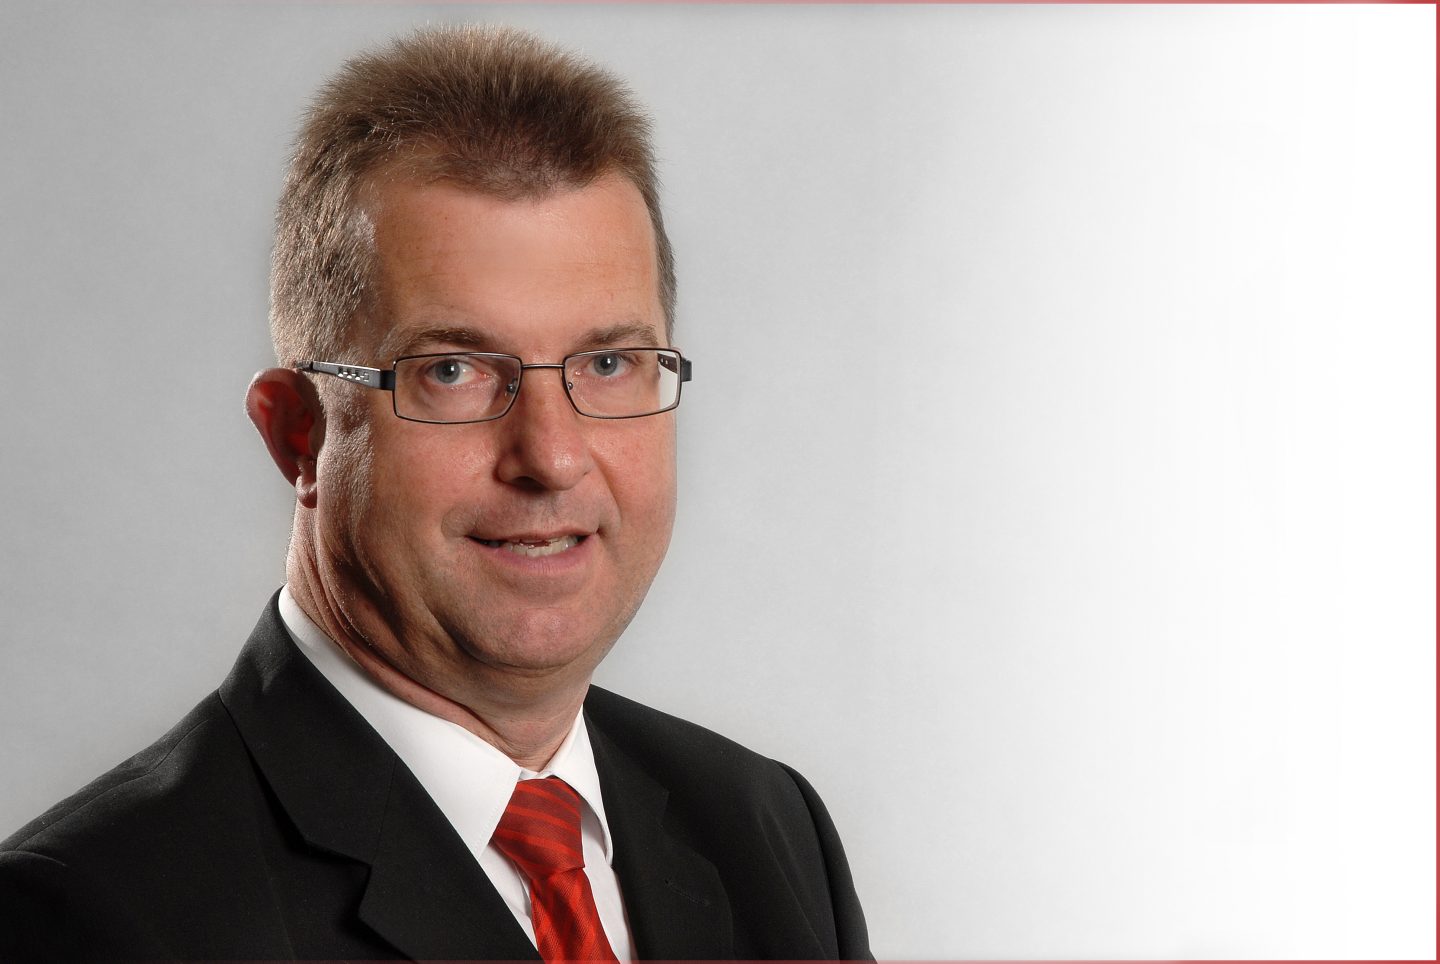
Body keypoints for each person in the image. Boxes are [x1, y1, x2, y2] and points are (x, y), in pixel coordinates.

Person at [0, 24, 869, 960]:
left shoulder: (765, 828)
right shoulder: (89, 918)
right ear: (298, 434)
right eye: (452, 370)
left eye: (610, 362)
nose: (552, 457)